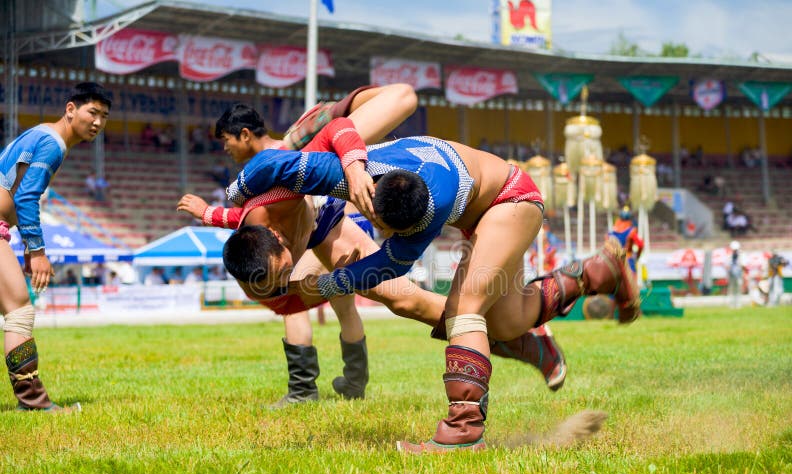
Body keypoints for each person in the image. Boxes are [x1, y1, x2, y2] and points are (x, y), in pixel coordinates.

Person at [225, 124, 639, 453]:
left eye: (387, 231)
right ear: (367, 195)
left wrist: (332, 282)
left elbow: (386, 266)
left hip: (511, 201)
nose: (381, 233)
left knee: (464, 311)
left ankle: (463, 430)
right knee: (510, 321)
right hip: (483, 202)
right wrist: (234, 198)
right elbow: (270, 163)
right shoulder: (345, 175)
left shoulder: (426, 213)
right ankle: (598, 272)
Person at [183, 94, 566, 405]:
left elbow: (386, 106)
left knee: (409, 301)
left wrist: (345, 146)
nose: (225, 149)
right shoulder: (254, 227)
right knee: (318, 301)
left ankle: (519, 342)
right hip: (351, 205)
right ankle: (313, 388)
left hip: (331, 217)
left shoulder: (280, 177)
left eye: (226, 140)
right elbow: (239, 222)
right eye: (275, 281)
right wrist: (210, 213)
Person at [0, 81, 111, 412]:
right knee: (19, 311)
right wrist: (37, 252)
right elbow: (26, 196)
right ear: (71, 109)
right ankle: (33, 402)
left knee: (17, 309)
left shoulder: (44, 135)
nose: (98, 122)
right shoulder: (52, 141)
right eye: (92, 112)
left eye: (104, 116)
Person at [608, 206, 644, 275]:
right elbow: (640, 244)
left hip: (614, 260)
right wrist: (637, 255)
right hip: (627, 259)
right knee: (632, 283)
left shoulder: (613, 230)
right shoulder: (631, 231)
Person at [727, 241, 743, 309]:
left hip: (738, 274)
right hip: (731, 275)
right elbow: (727, 265)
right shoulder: (729, 256)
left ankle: (738, 304)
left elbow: (743, 265)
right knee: (731, 289)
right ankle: (732, 304)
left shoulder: (741, 255)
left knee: (738, 289)